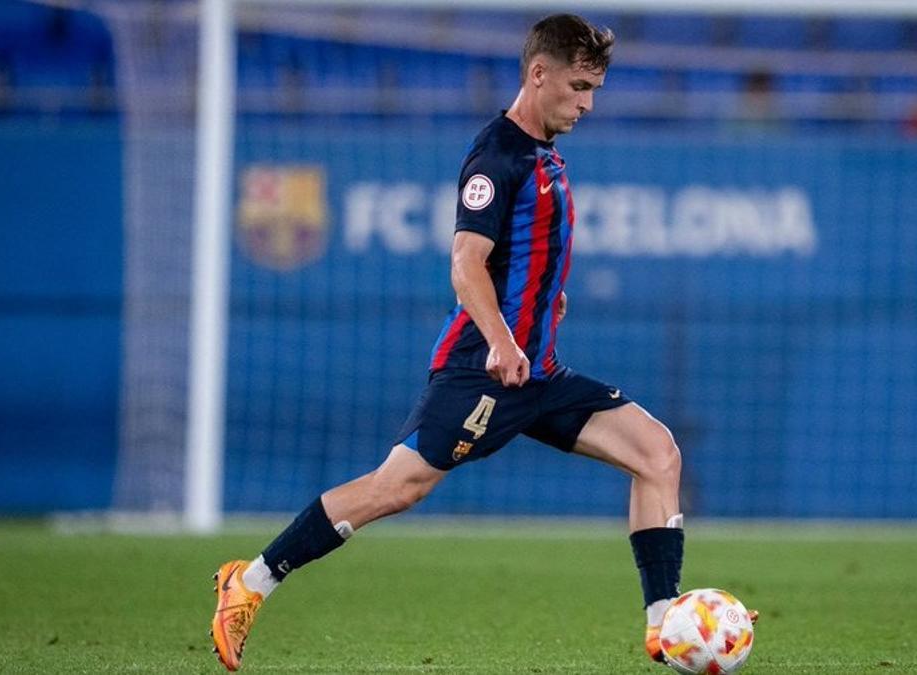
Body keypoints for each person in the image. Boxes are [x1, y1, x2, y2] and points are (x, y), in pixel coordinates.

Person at [208, 14, 753, 671]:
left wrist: (544, 305)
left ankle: (666, 627)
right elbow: (466, 263)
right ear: (539, 74)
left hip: (537, 372)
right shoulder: (497, 156)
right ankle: (250, 580)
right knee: (396, 487)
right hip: (485, 369)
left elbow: (521, 259)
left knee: (657, 452)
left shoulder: (545, 153)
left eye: (595, 91)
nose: (587, 104)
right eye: (579, 87)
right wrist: (500, 341)